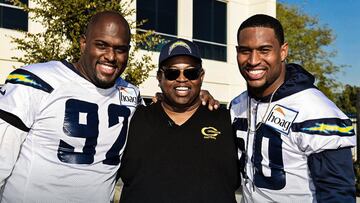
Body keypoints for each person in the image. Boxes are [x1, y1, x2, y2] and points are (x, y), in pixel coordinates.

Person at [0, 11, 140, 202]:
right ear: (83, 43)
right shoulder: (36, 80)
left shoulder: (131, 94)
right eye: (101, 45)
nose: (110, 56)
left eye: (120, 49)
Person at [230, 14, 356, 202]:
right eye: (245, 51)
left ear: (283, 51)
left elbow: (337, 192)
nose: (253, 60)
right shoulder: (237, 105)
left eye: (264, 50)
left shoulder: (316, 110)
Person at [119, 38, 239, 202]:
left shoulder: (227, 120)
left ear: (201, 76)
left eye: (191, 72)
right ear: (160, 77)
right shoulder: (135, 117)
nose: (182, 79)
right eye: (172, 73)